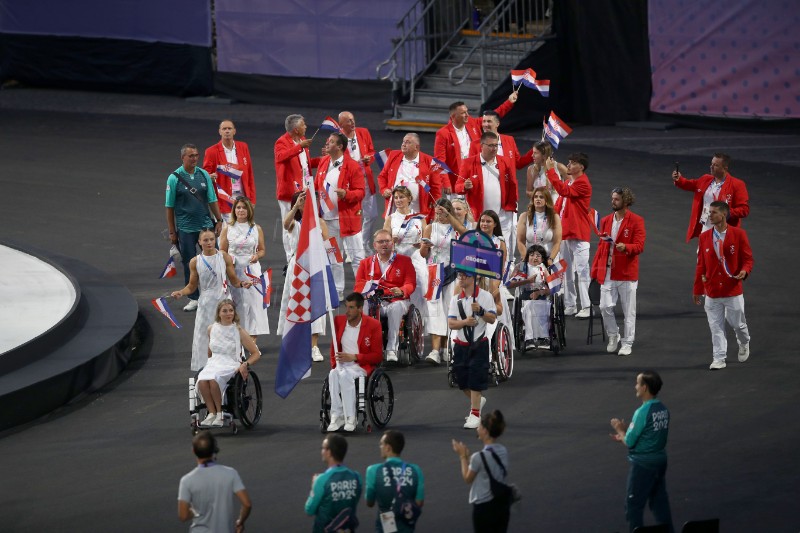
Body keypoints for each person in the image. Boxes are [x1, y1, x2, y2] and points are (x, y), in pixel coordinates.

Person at [171, 228, 251, 371]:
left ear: (215, 240)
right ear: (199, 242)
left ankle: (234, 365)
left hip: (224, 302)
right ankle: (204, 368)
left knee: (229, 333)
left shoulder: (224, 257)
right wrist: (181, 293)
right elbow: (191, 286)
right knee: (204, 337)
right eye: (206, 240)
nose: (209, 242)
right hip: (206, 304)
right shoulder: (195, 262)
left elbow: (234, 280)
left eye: (212, 239)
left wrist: (242, 283)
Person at [610, 371, 673, 533]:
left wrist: (620, 430)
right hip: (660, 462)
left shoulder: (642, 412)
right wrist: (625, 432)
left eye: (638, 383)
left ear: (645, 388)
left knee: (634, 505)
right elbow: (649, 433)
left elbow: (630, 441)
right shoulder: (663, 409)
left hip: (643, 465)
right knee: (660, 503)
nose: (635, 386)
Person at [693, 201, 753, 370]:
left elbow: (748, 259)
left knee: (738, 325)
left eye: (713, 212)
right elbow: (701, 265)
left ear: (723, 215)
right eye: (709, 212)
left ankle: (744, 341)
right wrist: (698, 289)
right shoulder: (704, 237)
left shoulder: (739, 234)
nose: (709, 215)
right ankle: (719, 357)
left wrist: (745, 271)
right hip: (712, 291)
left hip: (732, 290)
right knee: (715, 326)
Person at [166, 144, 223, 311]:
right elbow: (169, 207)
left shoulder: (204, 174)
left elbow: (212, 199)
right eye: (191, 156)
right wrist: (172, 231)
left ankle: (219, 293)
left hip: (205, 226)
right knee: (189, 262)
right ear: (183, 157)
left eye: (196, 155)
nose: (195, 158)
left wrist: (219, 220)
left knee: (215, 259)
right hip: (185, 228)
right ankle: (193, 297)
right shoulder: (174, 178)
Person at [590, 187, 646, 357]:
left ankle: (627, 342)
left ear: (626, 202)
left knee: (629, 311)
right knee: (605, 306)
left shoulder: (636, 221)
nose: (613, 201)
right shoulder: (606, 220)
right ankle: (613, 334)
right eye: (612, 198)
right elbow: (601, 247)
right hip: (608, 272)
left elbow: (639, 245)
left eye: (616, 199)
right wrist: (596, 270)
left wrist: (626, 247)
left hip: (627, 273)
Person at [277, 190, 330, 362]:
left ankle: (314, 346)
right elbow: (285, 224)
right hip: (298, 268)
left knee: (316, 306)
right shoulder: (294, 223)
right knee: (296, 305)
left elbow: (329, 247)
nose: (307, 203)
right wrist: (295, 207)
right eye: (303, 201)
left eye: (310, 201)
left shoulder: (320, 223)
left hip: (316, 267)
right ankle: (293, 344)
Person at [434, 92, 518, 195]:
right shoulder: (443, 133)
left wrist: (509, 102)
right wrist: (446, 183)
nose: (467, 115)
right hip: (457, 181)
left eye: (467, 111)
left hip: (477, 176)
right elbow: (439, 161)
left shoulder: (472, 123)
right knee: (458, 209)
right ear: (453, 116)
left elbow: (494, 115)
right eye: (463, 113)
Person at [315, 132, 366, 299]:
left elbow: (360, 192)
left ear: (339, 147)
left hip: (348, 219)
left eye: (330, 142)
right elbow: (317, 187)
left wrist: (347, 194)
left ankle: (361, 291)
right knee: (334, 257)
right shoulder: (323, 161)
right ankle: (337, 292)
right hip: (328, 220)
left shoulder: (352, 165)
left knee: (357, 256)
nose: (327, 143)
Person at [196, 300, 261, 427]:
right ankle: (212, 413)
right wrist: (210, 363)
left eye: (231, 310)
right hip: (215, 361)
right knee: (202, 379)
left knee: (214, 379)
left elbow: (256, 353)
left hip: (231, 363)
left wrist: (245, 364)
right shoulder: (211, 328)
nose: (228, 313)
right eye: (224, 311)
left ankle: (220, 414)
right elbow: (210, 351)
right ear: (219, 313)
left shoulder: (238, 330)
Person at [354, 229, 417, 363]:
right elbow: (358, 286)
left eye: (387, 241)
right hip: (375, 301)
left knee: (396, 308)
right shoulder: (365, 263)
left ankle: (391, 349)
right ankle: (366, 346)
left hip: (397, 300)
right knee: (363, 306)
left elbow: (411, 283)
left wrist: (401, 290)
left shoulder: (404, 261)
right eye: (380, 242)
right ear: (374, 245)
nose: (384, 244)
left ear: (392, 243)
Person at [326, 292, 383, 432]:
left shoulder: (373, 325)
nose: (348, 311)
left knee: (345, 376)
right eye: (347, 307)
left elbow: (377, 356)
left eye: (351, 307)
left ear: (360, 309)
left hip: (361, 365)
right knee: (333, 374)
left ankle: (351, 417)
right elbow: (333, 349)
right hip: (342, 365)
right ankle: (337, 415)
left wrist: (355, 357)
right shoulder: (339, 321)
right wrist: (336, 364)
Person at [546, 152, 593, 318]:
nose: (569, 165)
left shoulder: (583, 183)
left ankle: (587, 306)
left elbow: (564, 191)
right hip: (566, 233)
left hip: (579, 234)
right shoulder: (569, 181)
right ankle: (571, 304)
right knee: (566, 271)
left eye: (572, 163)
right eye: (569, 162)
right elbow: (559, 205)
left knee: (582, 271)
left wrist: (552, 171)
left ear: (581, 166)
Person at [448, 271, 498, 428]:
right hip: (461, 345)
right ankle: (477, 401)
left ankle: (475, 414)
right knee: (462, 381)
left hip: (479, 343)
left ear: (475, 278)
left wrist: (481, 312)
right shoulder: (456, 299)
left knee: (476, 379)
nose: (461, 278)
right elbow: (451, 323)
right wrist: (465, 322)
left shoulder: (485, 296)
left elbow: (492, 319)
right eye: (460, 276)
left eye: (465, 276)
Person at [422, 200, 468, 364]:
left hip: (452, 271)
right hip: (434, 271)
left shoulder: (455, 227)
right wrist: (425, 246)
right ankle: (435, 350)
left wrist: (449, 216)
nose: (440, 215)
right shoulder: (429, 227)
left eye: (444, 212)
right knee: (435, 311)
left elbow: (464, 232)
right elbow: (422, 253)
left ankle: (447, 347)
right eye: (438, 212)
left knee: (450, 309)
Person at [178, 431, 251, 533]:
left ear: (193, 451)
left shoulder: (187, 480)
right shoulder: (230, 473)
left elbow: (183, 515)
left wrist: (197, 511)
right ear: (214, 450)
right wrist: (240, 522)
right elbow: (247, 504)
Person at [451, 410, 511, 532]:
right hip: (501, 506)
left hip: (484, 508)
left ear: (485, 431)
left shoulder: (478, 457)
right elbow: (485, 466)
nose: (477, 428)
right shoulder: (503, 451)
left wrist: (462, 456)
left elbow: (467, 478)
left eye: (480, 426)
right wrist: (468, 457)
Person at [220, 197, 270, 342]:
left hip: (252, 269)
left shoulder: (256, 228)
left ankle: (252, 340)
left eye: (243, 207)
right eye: (238, 207)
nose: (241, 210)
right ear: (234, 210)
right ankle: (237, 337)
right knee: (237, 302)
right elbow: (222, 251)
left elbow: (262, 250)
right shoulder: (227, 228)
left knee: (254, 303)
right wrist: (230, 259)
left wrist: (256, 256)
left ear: (249, 210)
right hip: (234, 269)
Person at [455, 131, 516, 249]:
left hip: (502, 216)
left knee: (503, 247)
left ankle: (505, 267)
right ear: (482, 146)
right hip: (478, 216)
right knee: (476, 248)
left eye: (496, 145)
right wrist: (464, 186)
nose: (494, 149)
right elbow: (458, 187)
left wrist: (511, 206)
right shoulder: (469, 163)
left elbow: (513, 185)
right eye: (491, 145)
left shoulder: (506, 161)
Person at [672, 152, 749, 242]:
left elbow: (744, 210)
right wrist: (679, 179)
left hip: (723, 231)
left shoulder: (737, 184)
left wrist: (725, 213)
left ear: (725, 168)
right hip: (705, 227)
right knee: (702, 254)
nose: (711, 167)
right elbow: (690, 184)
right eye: (711, 164)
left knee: (719, 255)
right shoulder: (705, 179)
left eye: (715, 165)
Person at [274, 114, 320, 261]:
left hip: (304, 189)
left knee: (305, 223)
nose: (306, 126)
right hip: (289, 193)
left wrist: (323, 159)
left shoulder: (301, 141)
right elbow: (281, 157)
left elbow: (305, 164)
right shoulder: (281, 142)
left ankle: (304, 255)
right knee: (289, 225)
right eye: (303, 124)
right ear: (295, 129)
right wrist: (300, 147)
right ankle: (290, 259)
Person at [365, 430, 425, 532]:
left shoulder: (373, 471)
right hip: (406, 527)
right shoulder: (416, 470)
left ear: (388, 448)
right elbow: (419, 502)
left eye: (381, 444)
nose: (380, 446)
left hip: (384, 526)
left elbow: (369, 502)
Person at [339, 111, 379, 253]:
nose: (352, 122)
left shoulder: (363, 132)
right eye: (349, 121)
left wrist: (369, 157)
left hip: (366, 180)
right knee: (351, 217)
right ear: (341, 124)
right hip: (350, 184)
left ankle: (363, 243)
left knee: (372, 214)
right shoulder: (337, 138)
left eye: (353, 119)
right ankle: (350, 249)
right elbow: (334, 160)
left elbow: (372, 151)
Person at [376, 133, 440, 221]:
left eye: (408, 142)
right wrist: (384, 189)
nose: (403, 144)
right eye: (403, 141)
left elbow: (436, 189)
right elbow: (382, 177)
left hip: (418, 210)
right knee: (393, 233)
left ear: (416, 147)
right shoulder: (393, 155)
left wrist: (434, 213)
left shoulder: (429, 161)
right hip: (395, 209)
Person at [305, 434, 362, 533]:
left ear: (329, 452)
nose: (321, 451)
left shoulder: (321, 480)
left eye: (323, 448)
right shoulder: (356, 477)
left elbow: (309, 510)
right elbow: (353, 502)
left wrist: (313, 487)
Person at [202, 119, 256, 220]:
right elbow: (204, 175)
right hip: (223, 201)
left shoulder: (243, 147)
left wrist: (252, 199)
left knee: (242, 232)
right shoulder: (211, 151)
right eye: (224, 129)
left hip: (242, 201)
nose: (227, 131)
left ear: (234, 131)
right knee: (224, 234)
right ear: (220, 131)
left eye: (229, 128)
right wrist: (209, 176)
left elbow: (249, 174)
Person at [509, 245, 552, 349]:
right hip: (525, 296)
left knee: (543, 308)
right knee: (528, 309)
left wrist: (540, 293)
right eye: (532, 255)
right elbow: (510, 284)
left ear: (542, 259)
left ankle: (543, 338)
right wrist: (527, 281)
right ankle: (529, 339)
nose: (535, 258)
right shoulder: (521, 267)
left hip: (540, 296)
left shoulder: (543, 269)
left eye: (538, 255)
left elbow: (551, 288)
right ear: (528, 256)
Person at [516, 186, 562, 263]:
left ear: (547, 200)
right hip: (530, 258)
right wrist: (526, 257)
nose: (538, 199)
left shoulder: (554, 217)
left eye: (541, 197)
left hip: (549, 258)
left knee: (555, 272)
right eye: (536, 197)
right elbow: (520, 241)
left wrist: (551, 259)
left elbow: (557, 242)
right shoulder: (524, 216)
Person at [383, 185, 427, 257]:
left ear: (409, 199)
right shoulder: (390, 218)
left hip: (416, 257)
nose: (398, 200)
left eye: (401, 197)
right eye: (396, 198)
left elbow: (427, 240)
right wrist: (392, 241)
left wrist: (422, 244)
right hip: (398, 257)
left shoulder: (420, 217)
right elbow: (384, 242)